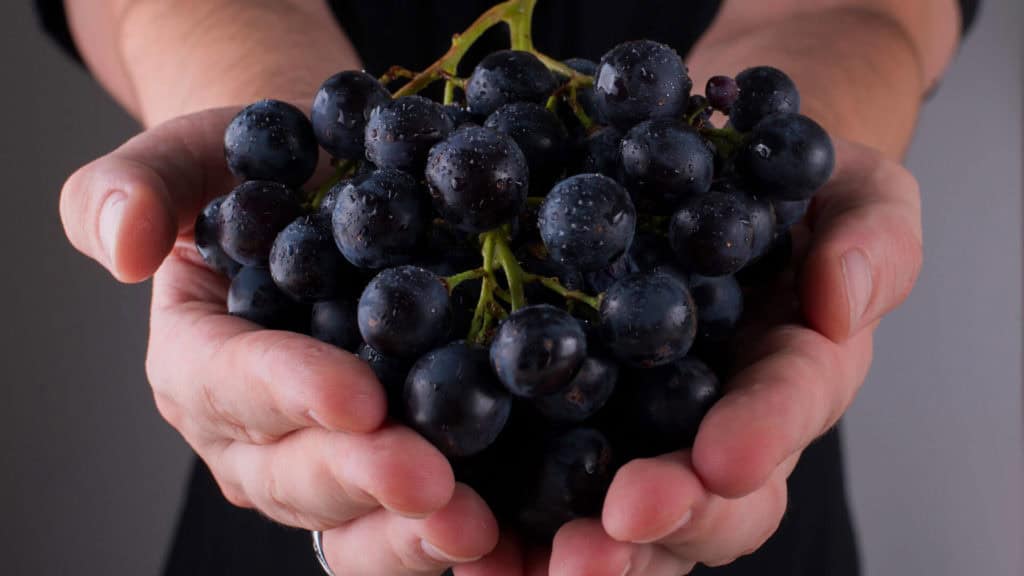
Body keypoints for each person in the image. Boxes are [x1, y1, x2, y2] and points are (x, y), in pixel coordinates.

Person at [37, 0, 976, 574]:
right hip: (300, 466)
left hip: (711, 449)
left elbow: (864, 9)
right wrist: (289, 118)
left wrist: (809, 148)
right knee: (369, 426)